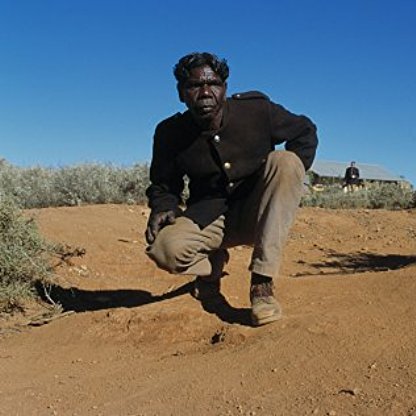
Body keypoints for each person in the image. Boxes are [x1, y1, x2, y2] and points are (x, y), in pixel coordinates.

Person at [145, 52, 318, 326]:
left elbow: (304, 131)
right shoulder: (170, 132)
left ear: (224, 88)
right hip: (210, 217)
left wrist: (290, 180)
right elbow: (164, 184)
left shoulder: (256, 110)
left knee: (285, 161)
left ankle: (262, 285)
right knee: (163, 249)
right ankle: (212, 266)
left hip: (258, 211)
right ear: (181, 93)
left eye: (212, 84)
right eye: (193, 86)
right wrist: (163, 206)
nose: (204, 92)